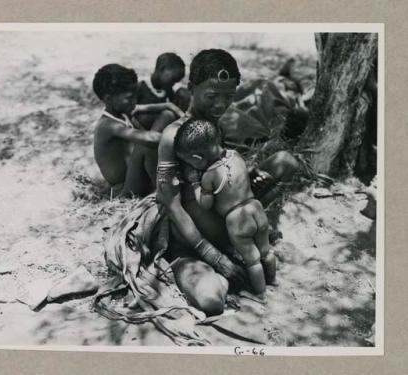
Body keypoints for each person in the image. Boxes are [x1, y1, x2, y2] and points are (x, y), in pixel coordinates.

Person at [156, 49, 299, 315]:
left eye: (229, 96)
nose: (221, 105)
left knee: (285, 162)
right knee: (211, 300)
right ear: (191, 88)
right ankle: (215, 270)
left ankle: (249, 239)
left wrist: (246, 175)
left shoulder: (215, 126)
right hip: (192, 246)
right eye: (212, 96)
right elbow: (170, 204)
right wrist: (213, 257)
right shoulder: (173, 135)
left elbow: (220, 169)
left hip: (232, 228)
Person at [174, 119, 277, 302]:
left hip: (237, 218)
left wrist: (195, 182)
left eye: (189, 161)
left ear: (197, 158)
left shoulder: (209, 176)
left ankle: (260, 293)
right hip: (255, 208)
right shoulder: (236, 156)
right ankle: (272, 280)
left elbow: (205, 204)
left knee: (252, 259)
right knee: (265, 251)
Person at [92, 64, 181, 197]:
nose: (134, 101)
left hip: (135, 174)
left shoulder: (123, 111)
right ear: (108, 99)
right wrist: (185, 135)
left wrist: (180, 115)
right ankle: (163, 192)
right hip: (125, 189)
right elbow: (151, 139)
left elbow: (166, 107)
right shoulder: (107, 125)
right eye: (129, 97)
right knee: (145, 145)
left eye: (135, 96)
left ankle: (165, 174)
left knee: (167, 116)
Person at [135, 53, 188, 132]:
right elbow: (131, 110)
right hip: (141, 127)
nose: (173, 84)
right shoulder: (141, 86)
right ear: (161, 69)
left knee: (184, 94)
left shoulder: (167, 89)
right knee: (167, 115)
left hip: (159, 126)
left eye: (176, 81)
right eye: (172, 80)